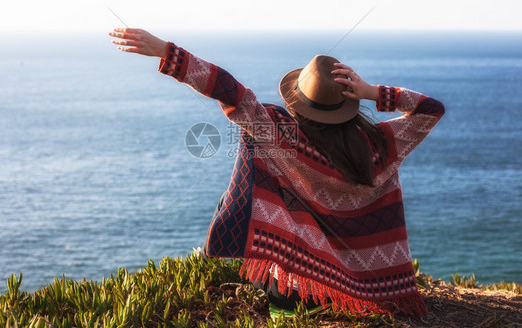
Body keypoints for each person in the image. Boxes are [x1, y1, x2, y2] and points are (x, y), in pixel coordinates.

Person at [108, 27, 445, 317]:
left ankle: (283, 297)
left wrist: (167, 52)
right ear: (348, 103)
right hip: (370, 283)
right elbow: (430, 109)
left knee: (234, 198)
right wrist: (373, 92)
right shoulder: (381, 145)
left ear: (298, 101)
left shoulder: (282, 134)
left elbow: (232, 93)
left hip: (299, 286)